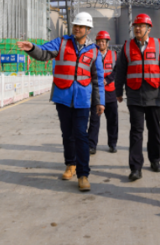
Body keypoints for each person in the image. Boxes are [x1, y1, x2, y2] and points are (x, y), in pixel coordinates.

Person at [18, 12, 104, 192]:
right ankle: (70, 164)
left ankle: (83, 174)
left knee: (81, 135)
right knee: (67, 134)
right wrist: (32, 48)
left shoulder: (94, 51)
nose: (76, 28)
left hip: (83, 100)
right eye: (75, 25)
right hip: (63, 97)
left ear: (88, 30)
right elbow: (43, 53)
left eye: (80, 26)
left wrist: (99, 102)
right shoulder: (61, 42)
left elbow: (98, 80)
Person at [114, 14, 160, 181]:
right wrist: (118, 91)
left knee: (154, 130)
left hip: (154, 94)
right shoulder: (127, 47)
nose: (137, 28)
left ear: (149, 28)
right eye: (135, 26)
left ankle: (155, 160)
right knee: (136, 132)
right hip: (134, 94)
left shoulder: (158, 45)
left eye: (141, 26)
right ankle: (135, 167)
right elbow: (120, 71)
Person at [88, 31, 119, 153]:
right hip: (96, 92)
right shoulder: (93, 55)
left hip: (110, 92)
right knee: (94, 120)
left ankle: (112, 144)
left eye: (103, 41)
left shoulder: (114, 55)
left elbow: (117, 70)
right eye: (99, 41)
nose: (101, 43)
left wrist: (108, 80)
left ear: (107, 43)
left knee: (112, 120)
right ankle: (92, 145)